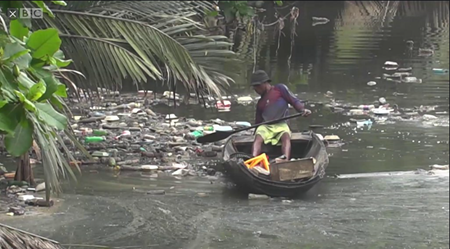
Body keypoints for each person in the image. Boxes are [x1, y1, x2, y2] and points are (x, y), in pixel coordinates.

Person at [250, 70, 311, 161]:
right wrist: (255, 132)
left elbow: (294, 101)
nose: (256, 90)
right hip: (266, 126)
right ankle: (253, 158)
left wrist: (302, 110)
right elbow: (258, 121)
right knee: (258, 137)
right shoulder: (260, 103)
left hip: (281, 124)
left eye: (257, 87)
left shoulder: (280, 89)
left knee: (286, 137)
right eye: (254, 87)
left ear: (265, 83)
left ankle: (285, 159)